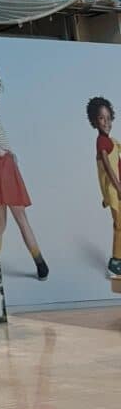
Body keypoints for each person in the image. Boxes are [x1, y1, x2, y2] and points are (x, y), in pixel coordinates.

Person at [0, 62, 48, 280]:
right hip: (2, 168)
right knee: (20, 218)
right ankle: (40, 263)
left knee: (2, 221)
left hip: (1, 167)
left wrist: (5, 151)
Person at [85, 96, 121, 278]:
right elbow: (106, 166)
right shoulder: (101, 142)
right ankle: (116, 262)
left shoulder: (111, 140)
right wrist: (117, 188)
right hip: (117, 190)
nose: (106, 122)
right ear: (94, 120)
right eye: (101, 118)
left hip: (116, 188)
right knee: (120, 225)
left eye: (108, 118)